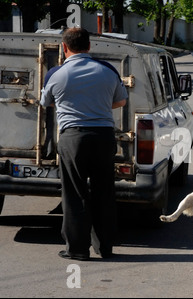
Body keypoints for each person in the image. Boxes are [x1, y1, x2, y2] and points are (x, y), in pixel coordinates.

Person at [40, 27, 128, 261]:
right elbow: (120, 101)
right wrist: (97, 106)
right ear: (89, 46)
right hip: (103, 137)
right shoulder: (108, 70)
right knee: (104, 191)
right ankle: (106, 247)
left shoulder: (55, 74)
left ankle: (77, 249)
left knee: (74, 193)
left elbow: (45, 102)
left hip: (73, 138)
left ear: (64, 47)